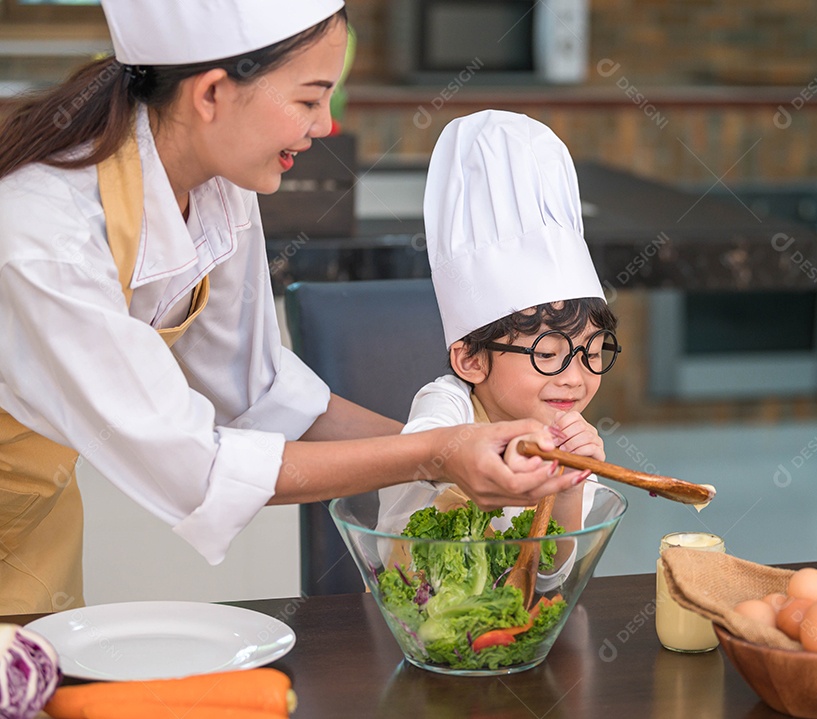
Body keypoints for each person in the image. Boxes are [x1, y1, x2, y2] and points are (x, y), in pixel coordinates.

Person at [0, 2, 580, 615]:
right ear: (213, 93)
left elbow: (259, 393)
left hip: (32, 523)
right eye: (308, 100)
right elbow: (197, 467)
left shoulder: (215, 185)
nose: (327, 126)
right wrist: (435, 454)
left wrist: (464, 450)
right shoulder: (44, 238)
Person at [377, 110, 619, 542]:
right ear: (470, 358)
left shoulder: (564, 429)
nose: (575, 379)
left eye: (593, 353)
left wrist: (569, 484)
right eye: (547, 355)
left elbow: (550, 576)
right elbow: (425, 447)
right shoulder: (448, 406)